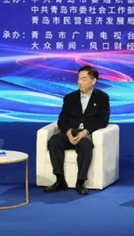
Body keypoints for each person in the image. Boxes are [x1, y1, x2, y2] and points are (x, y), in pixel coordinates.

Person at [43, 65, 111, 195]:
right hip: (71, 132)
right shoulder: (70, 98)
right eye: (79, 78)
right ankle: (60, 180)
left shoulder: (102, 98)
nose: (79, 82)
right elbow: (62, 120)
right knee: (54, 141)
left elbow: (103, 120)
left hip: (87, 133)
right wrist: (68, 132)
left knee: (85, 145)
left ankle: (80, 182)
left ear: (93, 81)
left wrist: (86, 131)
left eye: (84, 79)